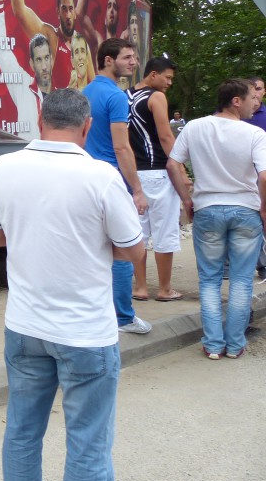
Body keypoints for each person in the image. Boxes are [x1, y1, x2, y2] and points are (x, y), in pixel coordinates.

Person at [0, 88, 145, 481]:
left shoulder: (1, 167)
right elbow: (134, 250)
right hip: (85, 333)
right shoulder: (101, 176)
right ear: (87, 127)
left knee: (21, 433)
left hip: (25, 327)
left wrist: (28, 234)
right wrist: (94, 243)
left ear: (40, 120)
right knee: (88, 445)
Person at [167, 79, 266, 359]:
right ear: (236, 101)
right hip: (245, 211)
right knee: (242, 280)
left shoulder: (194, 127)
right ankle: (234, 345)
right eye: (251, 98)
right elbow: (264, 176)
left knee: (209, 280)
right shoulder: (254, 134)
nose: (255, 103)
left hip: (207, 209)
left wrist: (186, 199)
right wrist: (264, 209)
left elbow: (173, 164)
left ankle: (212, 344)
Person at [82, 37, 151, 334]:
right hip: (112, 179)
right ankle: (123, 318)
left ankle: (96, 313)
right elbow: (122, 147)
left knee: (94, 249)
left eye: (134, 57)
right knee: (123, 250)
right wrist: (137, 189)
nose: (134, 62)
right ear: (108, 60)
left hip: (85, 178)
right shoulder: (116, 96)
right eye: (127, 57)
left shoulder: (85, 92)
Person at [127, 57, 186, 301]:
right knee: (164, 232)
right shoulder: (156, 97)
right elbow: (165, 137)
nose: (170, 83)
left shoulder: (124, 96)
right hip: (158, 172)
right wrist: (181, 169)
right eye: (167, 77)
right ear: (153, 74)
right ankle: (164, 289)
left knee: (138, 233)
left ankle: (140, 288)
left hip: (132, 174)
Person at [0, 0, 51, 140]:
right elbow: (1, 51)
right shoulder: (23, 86)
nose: (44, 66)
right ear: (31, 64)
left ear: (52, 60)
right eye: (38, 59)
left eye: (46, 58)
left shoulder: (61, 96)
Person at [7, 0, 88, 92]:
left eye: (70, 9)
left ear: (75, 13)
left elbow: (92, 81)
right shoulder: (52, 37)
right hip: (55, 102)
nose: (68, 15)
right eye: (64, 9)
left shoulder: (81, 44)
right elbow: (20, 11)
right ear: (58, 12)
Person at [241, 76, 266, 281]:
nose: (256, 93)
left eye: (259, 88)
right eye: (253, 89)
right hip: (241, 178)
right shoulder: (233, 115)